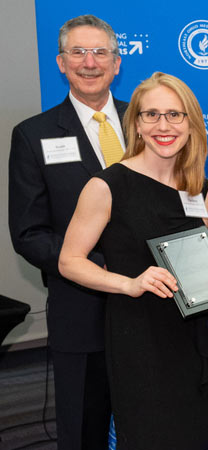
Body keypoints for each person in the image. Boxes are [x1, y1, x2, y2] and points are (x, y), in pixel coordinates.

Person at [57, 72, 208, 449]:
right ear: (137, 125)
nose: (164, 126)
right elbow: (69, 261)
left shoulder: (201, 190)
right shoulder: (107, 186)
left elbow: (195, 262)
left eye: (175, 115)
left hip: (189, 341)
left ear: (191, 124)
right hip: (138, 341)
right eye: (152, 115)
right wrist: (128, 283)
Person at [8, 14, 122, 449]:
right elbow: (29, 233)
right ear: (60, 62)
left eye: (100, 53)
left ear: (116, 63)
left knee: (152, 422)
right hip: (81, 308)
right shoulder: (33, 136)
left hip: (152, 309)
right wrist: (98, 268)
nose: (89, 62)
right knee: (83, 430)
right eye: (78, 52)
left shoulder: (151, 122)